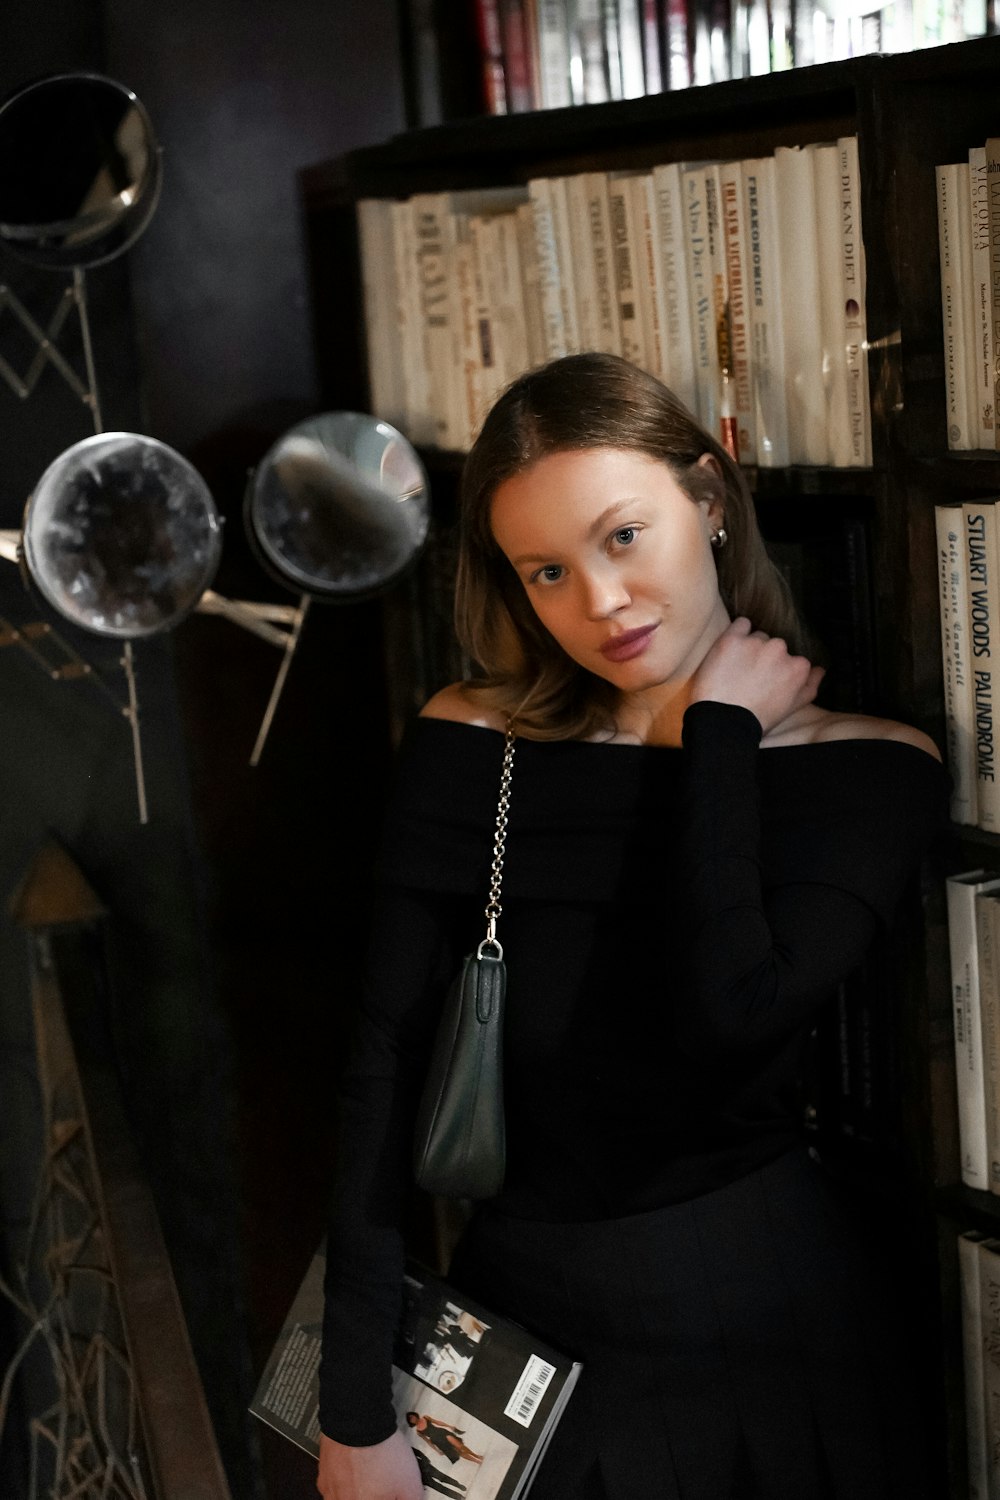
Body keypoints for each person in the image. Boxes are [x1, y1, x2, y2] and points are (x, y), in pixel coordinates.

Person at [315, 353, 947, 1500]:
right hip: (513, 1322)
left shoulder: (863, 768)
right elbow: (381, 1067)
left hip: (760, 1314)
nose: (598, 603)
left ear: (708, 500)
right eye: (546, 571)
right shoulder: (471, 740)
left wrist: (716, 742)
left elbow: (728, 1021)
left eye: (622, 537)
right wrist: (351, 1407)